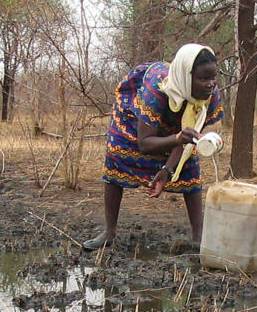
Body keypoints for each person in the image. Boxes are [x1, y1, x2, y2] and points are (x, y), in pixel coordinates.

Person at [82, 43, 223, 251]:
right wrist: (177, 137)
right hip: (134, 124)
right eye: (203, 79)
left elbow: (187, 141)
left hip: (176, 128)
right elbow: (145, 143)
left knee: (190, 168)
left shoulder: (209, 97)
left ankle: (198, 237)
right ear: (186, 76)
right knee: (116, 162)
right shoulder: (156, 90)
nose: (210, 84)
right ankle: (109, 232)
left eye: (213, 78)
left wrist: (167, 169)